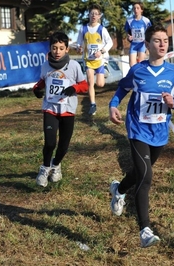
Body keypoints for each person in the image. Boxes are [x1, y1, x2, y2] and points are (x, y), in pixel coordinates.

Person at [108, 24, 174, 248]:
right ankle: (145, 229)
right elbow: (122, 88)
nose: (163, 44)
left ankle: (119, 189)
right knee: (146, 176)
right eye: (157, 40)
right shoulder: (138, 70)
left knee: (139, 173)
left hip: (160, 133)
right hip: (138, 129)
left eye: (165, 40)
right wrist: (113, 105)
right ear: (147, 44)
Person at [33, 31, 88, 187]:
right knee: (50, 143)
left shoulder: (74, 66)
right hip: (50, 108)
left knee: (63, 145)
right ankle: (44, 168)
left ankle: (56, 165)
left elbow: (85, 85)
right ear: (50, 48)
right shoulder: (45, 65)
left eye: (61, 48)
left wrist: (74, 88)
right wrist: (36, 90)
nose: (57, 52)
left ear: (67, 49)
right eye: (54, 48)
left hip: (68, 110)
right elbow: (42, 82)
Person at [77, 4, 113, 116]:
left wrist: (101, 51)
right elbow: (79, 43)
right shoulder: (83, 29)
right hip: (88, 60)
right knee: (90, 82)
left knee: (100, 84)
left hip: (100, 61)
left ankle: (105, 69)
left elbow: (110, 42)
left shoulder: (102, 29)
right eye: (92, 13)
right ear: (89, 15)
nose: (93, 16)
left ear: (99, 16)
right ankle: (93, 104)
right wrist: (79, 48)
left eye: (96, 14)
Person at [124, 2, 152, 67]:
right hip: (133, 44)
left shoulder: (146, 20)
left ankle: (141, 76)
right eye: (134, 8)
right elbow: (127, 32)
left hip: (142, 44)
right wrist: (129, 37)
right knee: (132, 65)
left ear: (141, 10)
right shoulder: (129, 20)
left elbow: (150, 32)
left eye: (137, 8)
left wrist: (148, 45)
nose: (136, 10)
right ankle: (134, 77)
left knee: (141, 65)